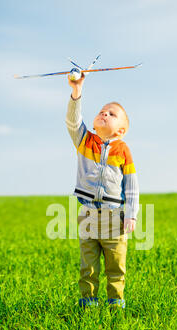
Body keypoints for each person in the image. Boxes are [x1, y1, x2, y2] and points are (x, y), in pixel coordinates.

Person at [66, 73, 139, 309]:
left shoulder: (123, 150)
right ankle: (88, 301)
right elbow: (73, 121)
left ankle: (115, 302)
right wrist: (77, 91)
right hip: (87, 215)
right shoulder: (84, 141)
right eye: (102, 111)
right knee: (88, 264)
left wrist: (131, 214)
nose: (104, 113)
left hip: (113, 218)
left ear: (121, 130)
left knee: (115, 264)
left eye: (112, 114)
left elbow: (132, 185)